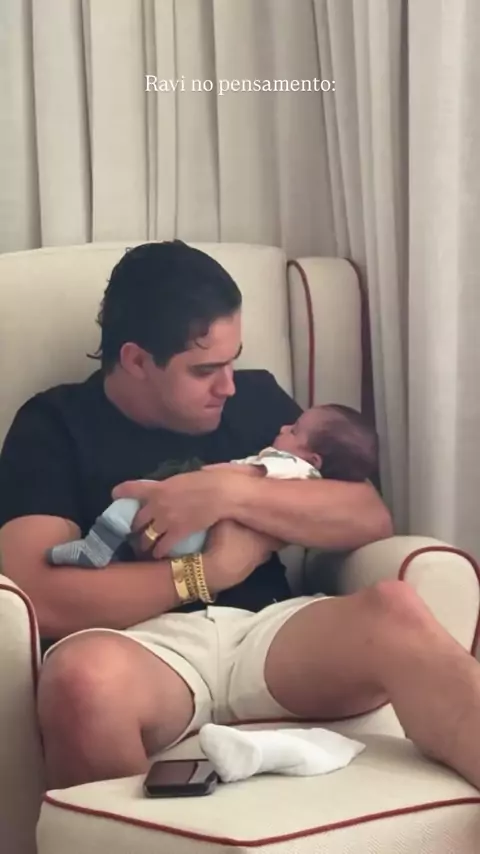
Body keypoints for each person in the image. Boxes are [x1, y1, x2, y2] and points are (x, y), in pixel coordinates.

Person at [0, 241, 480, 794]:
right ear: (136, 360)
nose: (227, 385)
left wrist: (226, 492)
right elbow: (37, 595)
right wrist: (208, 572)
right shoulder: (53, 424)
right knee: (81, 683)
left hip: (270, 630)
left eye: (233, 361)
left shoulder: (255, 397)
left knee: (396, 611)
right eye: (205, 369)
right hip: (142, 647)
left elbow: (366, 515)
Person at [45, 402, 378, 568]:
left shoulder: (289, 464)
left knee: (131, 502)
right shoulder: (306, 482)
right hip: (200, 545)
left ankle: (95, 548)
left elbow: (244, 475)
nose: (283, 426)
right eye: (204, 370)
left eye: (294, 430)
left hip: (197, 534)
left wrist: (205, 480)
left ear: (314, 459)